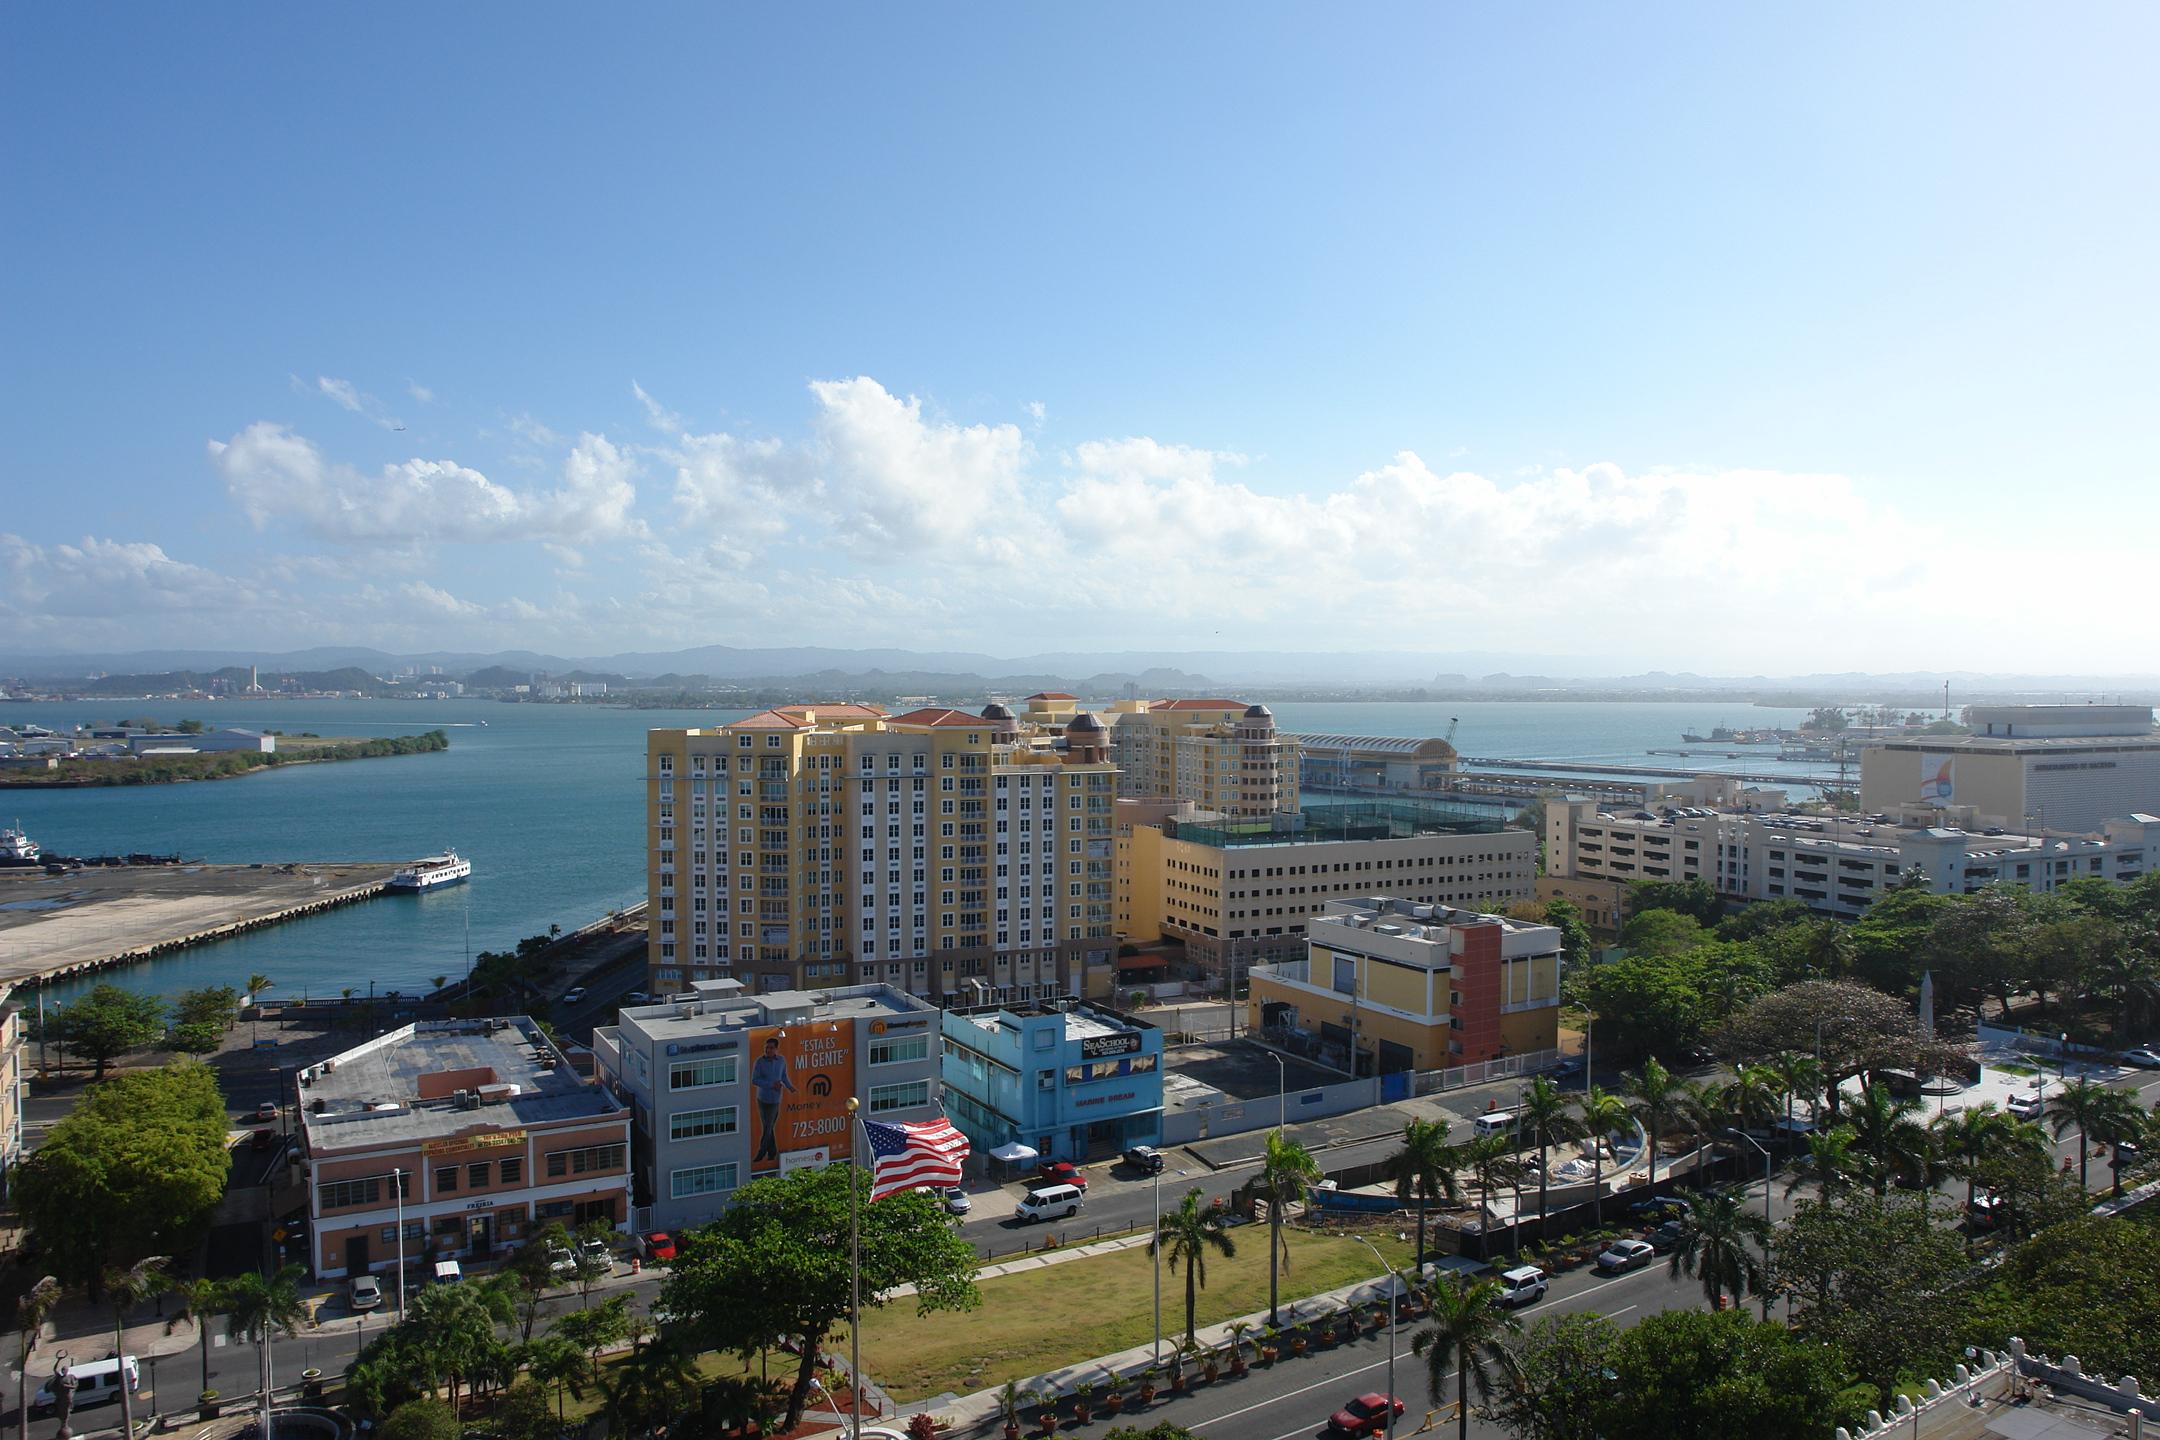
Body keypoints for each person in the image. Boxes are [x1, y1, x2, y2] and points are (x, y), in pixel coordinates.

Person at [751, 1036, 795, 1165]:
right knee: (768, 1126)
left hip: (775, 1100)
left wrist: (790, 1087)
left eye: (771, 1048)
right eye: (766, 1047)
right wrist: (771, 1084)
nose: (768, 1050)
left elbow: (784, 1076)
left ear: (776, 1049)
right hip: (762, 1099)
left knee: (768, 1126)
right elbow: (755, 1080)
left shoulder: (781, 1061)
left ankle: (766, 1151)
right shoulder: (760, 1062)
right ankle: (768, 1152)